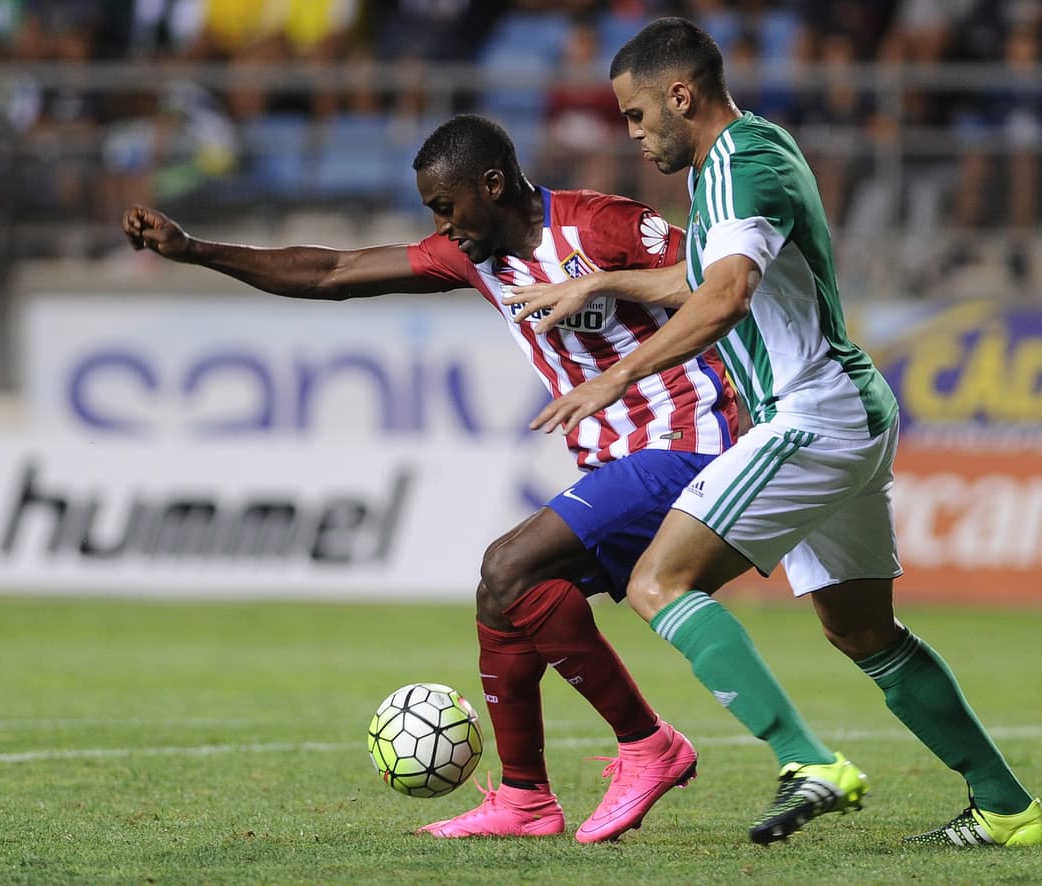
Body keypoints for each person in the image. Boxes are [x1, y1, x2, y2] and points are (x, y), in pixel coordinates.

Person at [122, 113, 739, 843]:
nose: (441, 224)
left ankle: (649, 746)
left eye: (446, 207)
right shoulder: (471, 257)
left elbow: (715, 278)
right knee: (509, 596)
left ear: (493, 184)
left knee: (507, 563)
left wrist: (607, 281)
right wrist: (195, 251)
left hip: (692, 439)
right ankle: (524, 799)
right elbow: (333, 273)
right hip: (616, 457)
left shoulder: (600, 226)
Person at [508, 17, 1042, 848]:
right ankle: (1006, 807)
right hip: (848, 409)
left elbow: (722, 297)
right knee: (863, 631)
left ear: (680, 95)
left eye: (637, 116)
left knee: (659, 581)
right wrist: (605, 281)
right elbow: (704, 275)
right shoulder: (755, 149)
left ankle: (807, 761)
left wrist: (615, 375)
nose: (633, 133)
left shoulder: (735, 171)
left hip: (810, 415)